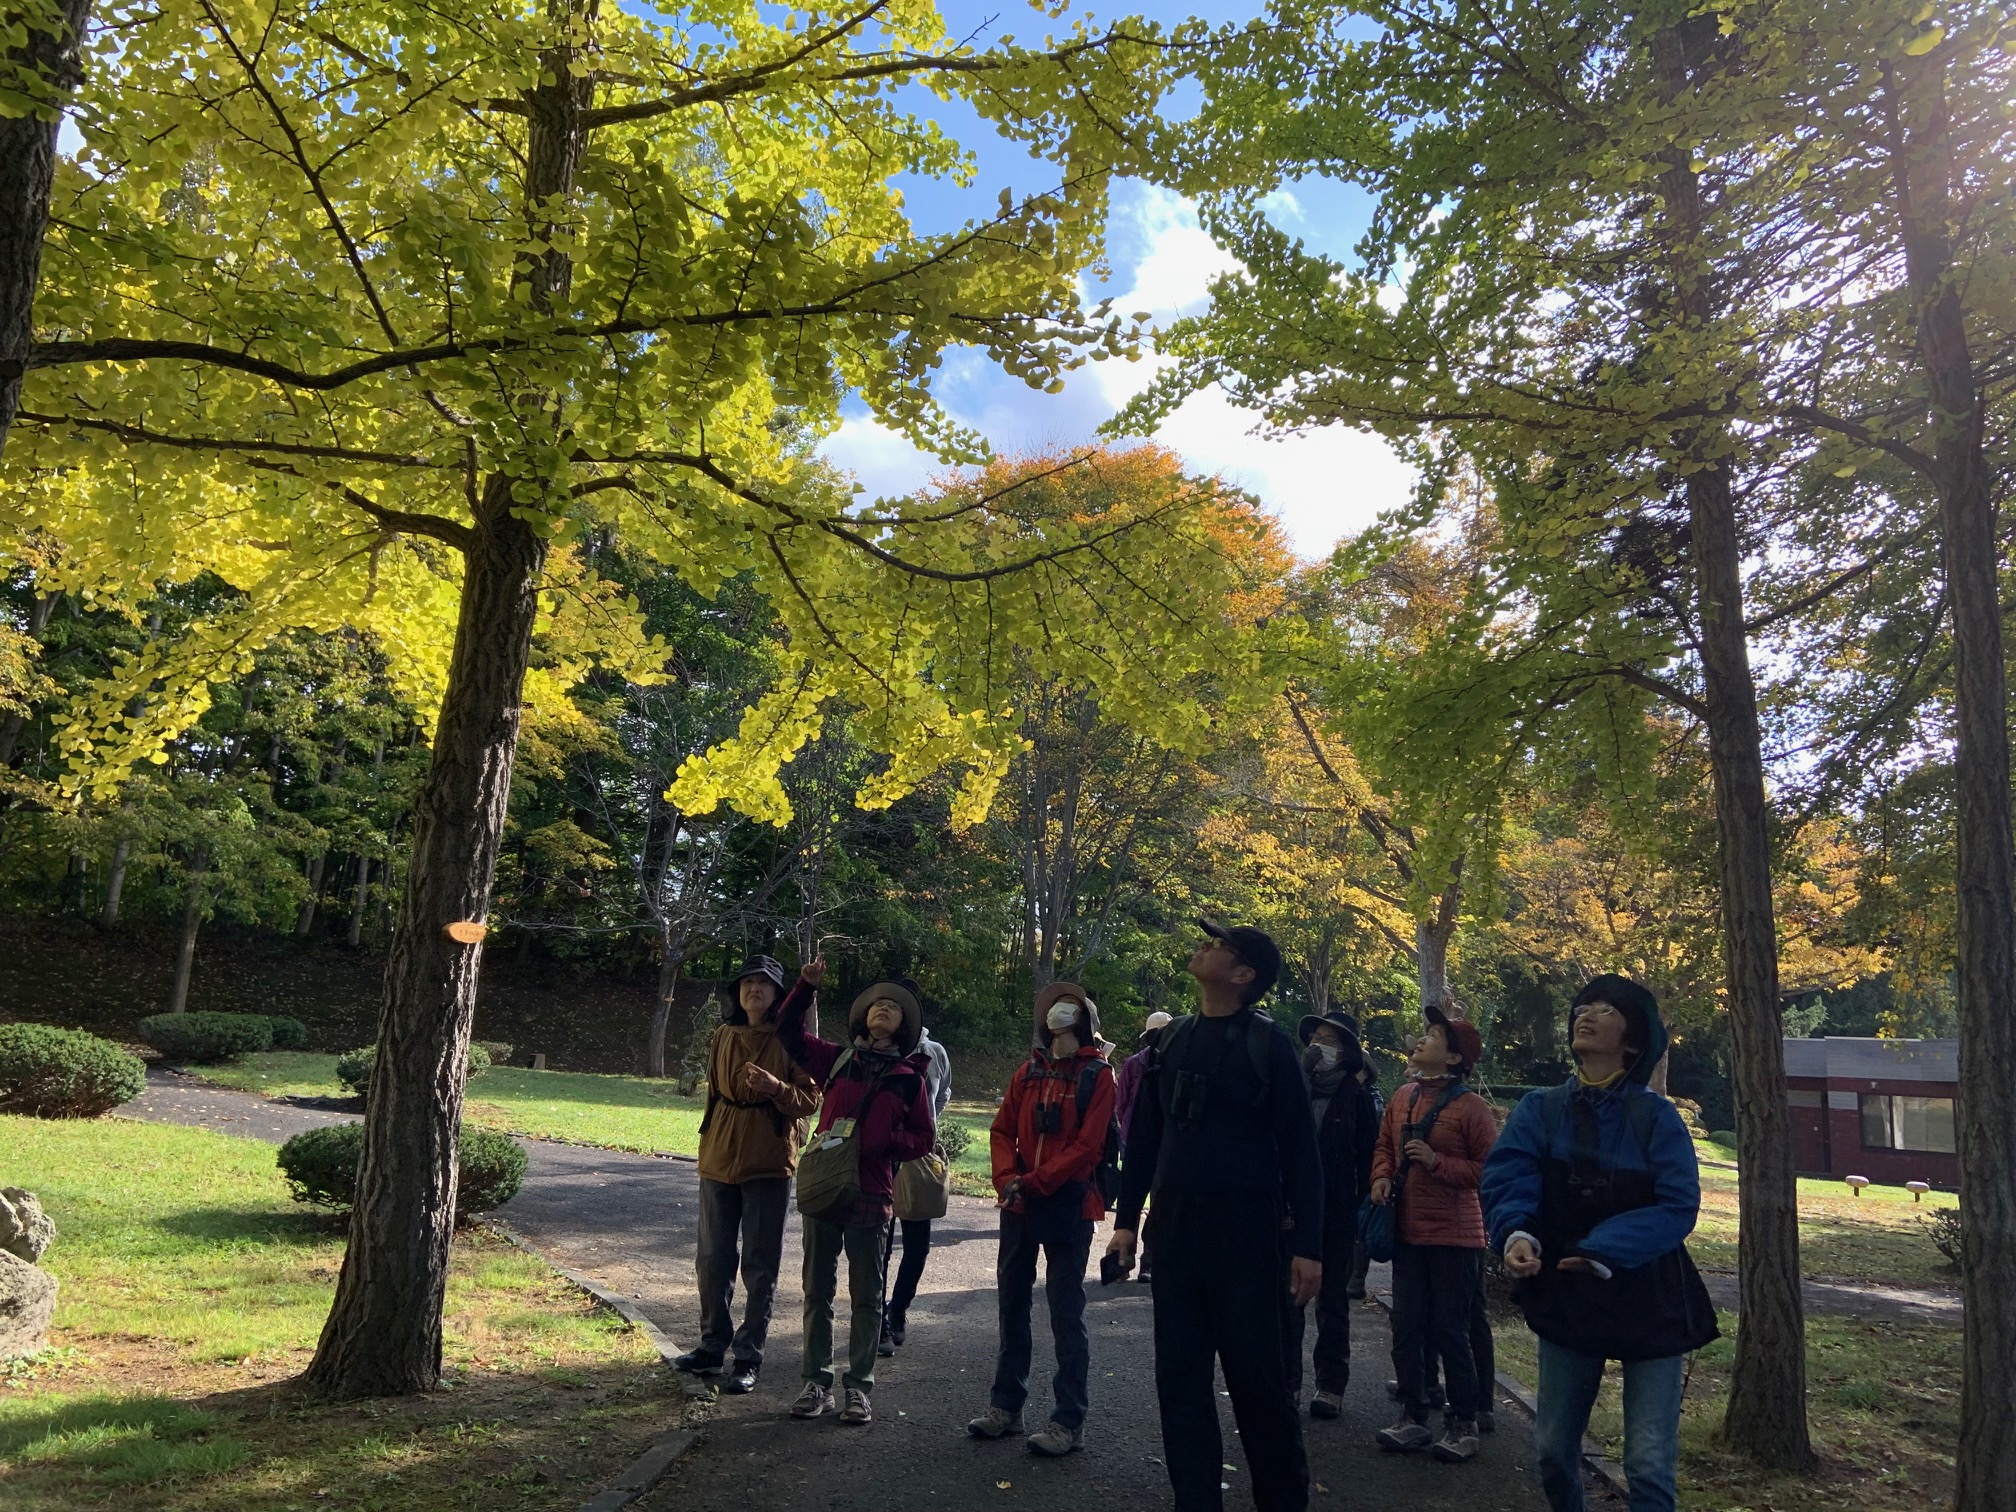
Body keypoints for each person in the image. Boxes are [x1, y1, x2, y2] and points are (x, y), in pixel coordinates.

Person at [1106, 919, 1323, 1512]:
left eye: (1219, 945)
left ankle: (1283, 1500)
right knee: (1179, 1383)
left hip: (1248, 1236)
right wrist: (1127, 1224)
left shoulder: (1269, 1045)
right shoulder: (1171, 1040)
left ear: (1243, 974)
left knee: (1260, 1385)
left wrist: (1310, 1245)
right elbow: (1145, 1137)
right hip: (1174, 1235)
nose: (1204, 946)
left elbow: (1303, 1151)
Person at [1482, 976, 1717, 1512]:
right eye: (1581, 1006)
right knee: (1552, 1448)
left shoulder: (1655, 1116)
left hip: (1651, 1296)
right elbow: (1508, 1177)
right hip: (1567, 1290)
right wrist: (1516, 1232)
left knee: (1648, 1464)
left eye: (1605, 1009)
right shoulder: (1540, 1109)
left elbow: (1678, 1205)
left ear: (1632, 1040)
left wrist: (1604, 1248)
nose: (1585, 1015)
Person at [775, 960, 936, 1426]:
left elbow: (923, 1138)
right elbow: (786, 1030)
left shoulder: (910, 1077)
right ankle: (816, 1381)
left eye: (893, 1008)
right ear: (863, 1018)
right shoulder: (836, 1060)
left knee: (867, 1296)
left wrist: (883, 1145)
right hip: (826, 1188)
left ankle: (859, 1387)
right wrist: (805, 985)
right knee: (816, 1291)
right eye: (876, 1005)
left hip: (872, 1193)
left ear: (904, 1026)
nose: (883, 1009)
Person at [968, 982, 1118, 1456]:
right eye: (1054, 1006)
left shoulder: (1099, 1076)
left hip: (1067, 1202)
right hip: (1019, 1201)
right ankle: (1006, 1407)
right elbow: (1001, 1130)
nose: (1059, 1011)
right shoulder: (1026, 1073)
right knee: (1012, 1304)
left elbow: (1089, 1147)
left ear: (1085, 1020)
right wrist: (1006, 1178)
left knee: (1065, 1311)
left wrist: (1034, 1181)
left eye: (1069, 1008)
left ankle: (1067, 1420)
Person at [675, 955, 821, 1395]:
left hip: (768, 1162)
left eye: (764, 983)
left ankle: (748, 1356)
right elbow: (714, 1098)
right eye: (747, 983)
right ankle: (711, 1346)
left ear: (778, 995)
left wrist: (775, 1088)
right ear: (737, 994)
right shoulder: (722, 1035)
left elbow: (811, 1100)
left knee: (760, 1266)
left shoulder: (791, 1039)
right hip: (718, 1159)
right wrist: (709, 1144)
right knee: (712, 1260)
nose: (754, 989)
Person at [1368, 1001, 1497, 1463]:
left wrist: (1437, 1162)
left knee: (1450, 1329)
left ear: (1455, 1058)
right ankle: (1412, 1415)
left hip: (1456, 1236)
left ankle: (1463, 1422)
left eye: (1434, 1037)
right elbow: (1383, 1145)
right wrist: (1381, 1176)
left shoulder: (1472, 1107)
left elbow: (1489, 1170)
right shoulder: (1403, 1096)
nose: (1422, 1039)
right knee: (1406, 1324)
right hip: (1407, 1229)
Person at [1290, 1009, 1378, 1420]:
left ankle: (1331, 1385)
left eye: (1329, 1039)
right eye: (1315, 1037)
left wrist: (1356, 1201)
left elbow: (1368, 1154)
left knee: (1332, 1300)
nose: (1318, 1045)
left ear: (1345, 1052)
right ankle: (1285, 1381)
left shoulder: (1356, 1095)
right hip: (1288, 1210)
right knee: (1287, 1297)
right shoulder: (1291, 1087)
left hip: (1337, 1211)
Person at [881, 1019, 952, 1354]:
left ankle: (898, 1310)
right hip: (879, 1156)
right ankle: (876, 1319)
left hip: (918, 1157)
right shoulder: (877, 1050)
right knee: (877, 1245)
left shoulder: (934, 1052)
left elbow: (944, 1092)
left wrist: (927, 1127)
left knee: (917, 1246)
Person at [1114, 1009, 1172, 1283]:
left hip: (1161, 1142)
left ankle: (1145, 1261)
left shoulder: (1171, 1065)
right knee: (1142, 1200)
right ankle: (1129, 1260)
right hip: (1137, 1139)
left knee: (1154, 1201)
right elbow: (1121, 1101)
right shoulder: (1134, 1064)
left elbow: (1121, 1104)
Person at [1345, 1060, 1384, 1301]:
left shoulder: (1369, 1099)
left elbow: (1371, 1139)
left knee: (1360, 1222)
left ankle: (1356, 1276)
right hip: (1345, 1169)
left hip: (1362, 1168)